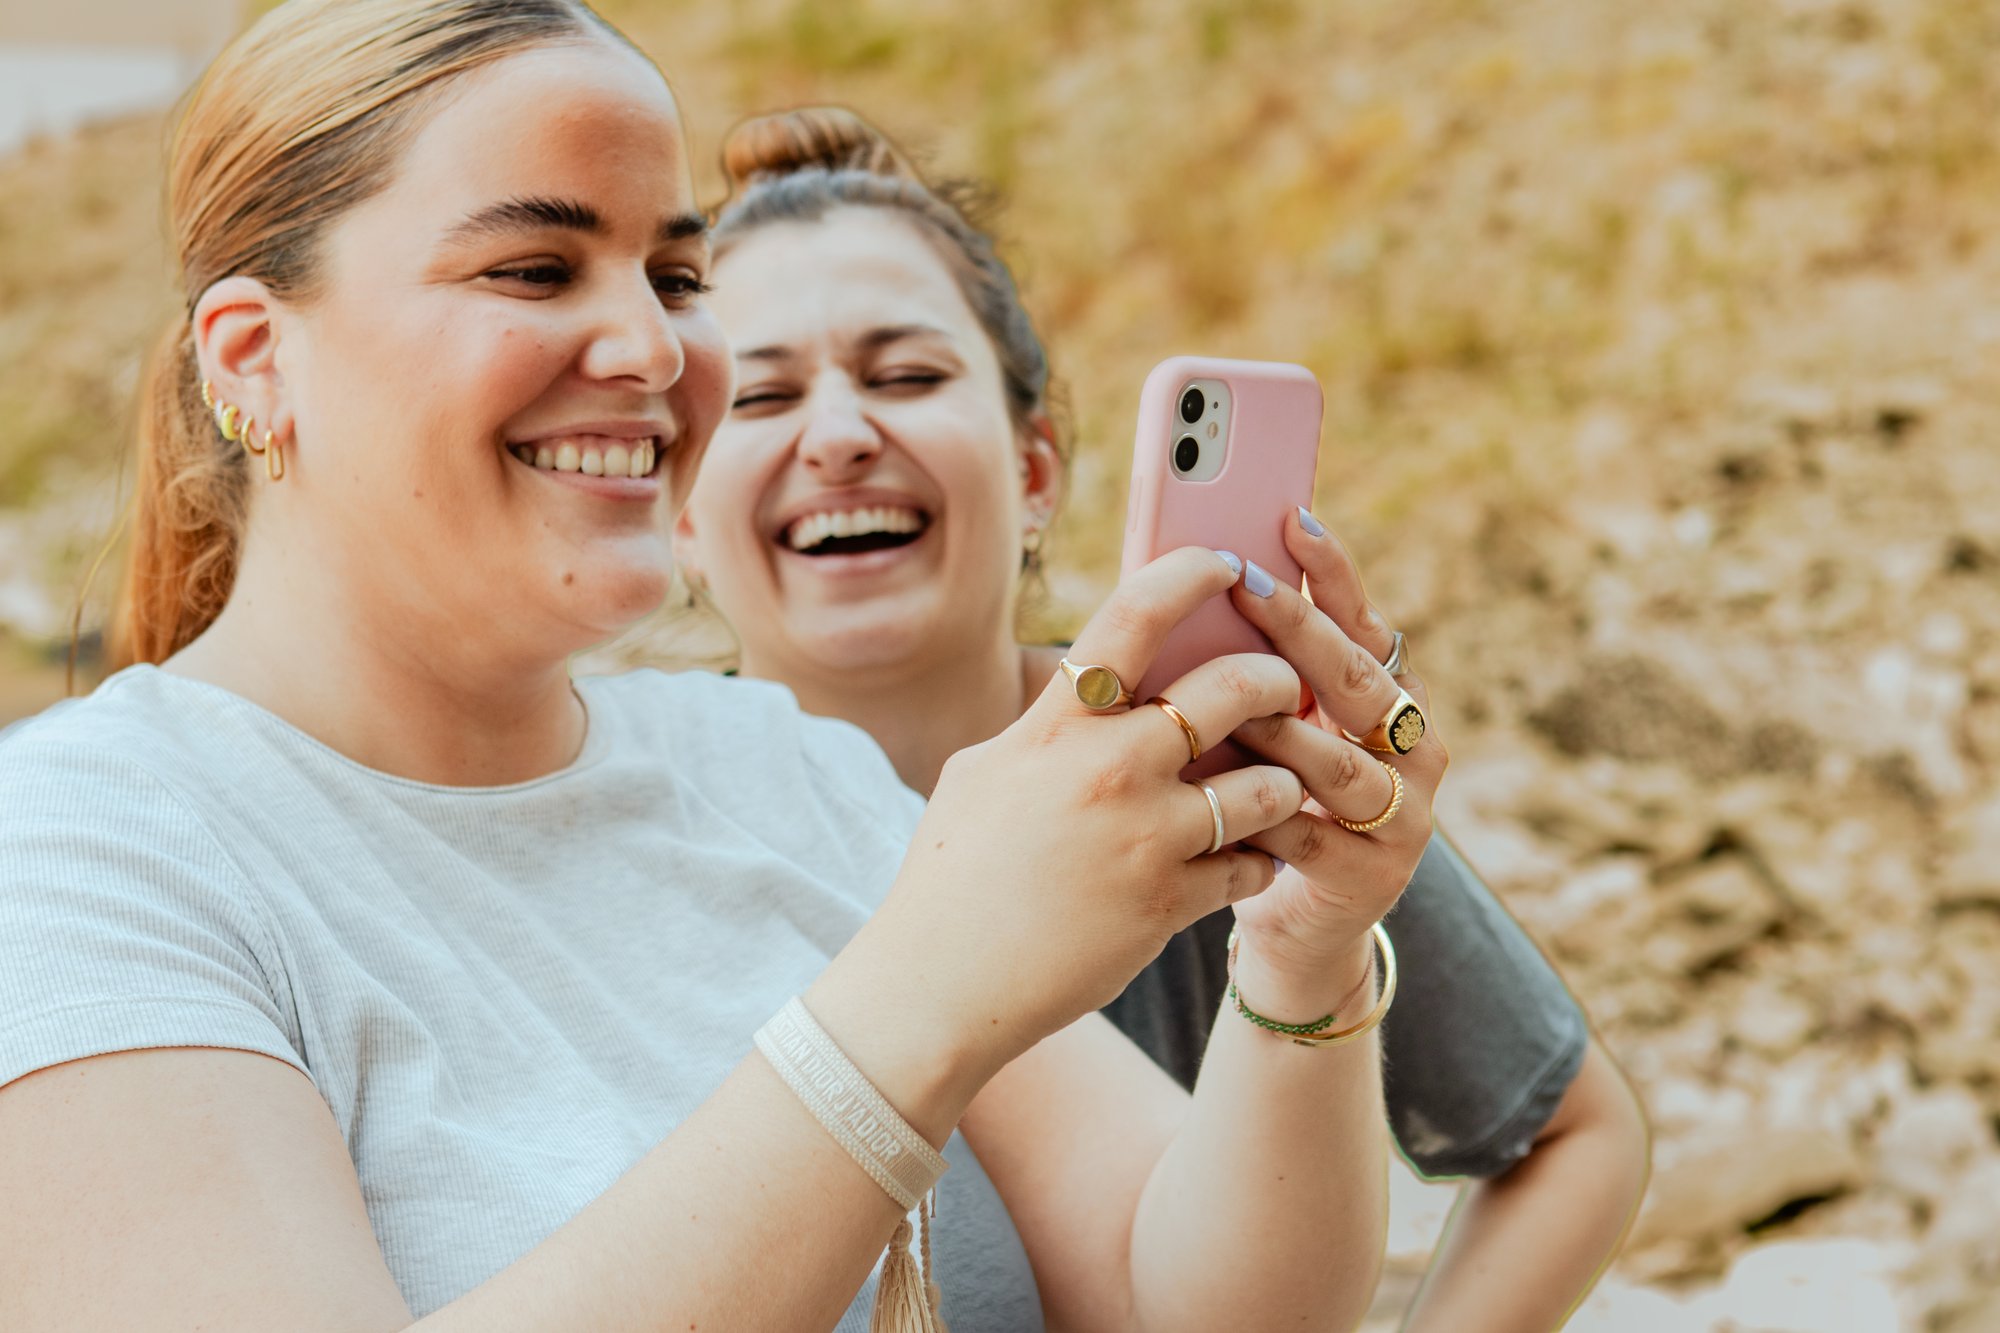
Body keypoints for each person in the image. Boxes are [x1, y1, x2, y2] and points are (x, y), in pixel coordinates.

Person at [0, 4, 1450, 1331]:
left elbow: (1192, 1304)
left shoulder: (784, 767)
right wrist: (909, 1007)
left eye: (675, 272)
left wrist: (1301, 958)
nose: (651, 344)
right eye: (533, 267)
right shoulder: (85, 855)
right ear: (254, 360)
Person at [672, 107, 1651, 1332]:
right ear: (676, 515)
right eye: (759, 398)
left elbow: (1573, 1131)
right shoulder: (635, 814)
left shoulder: (1211, 748)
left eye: (906, 375)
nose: (839, 436)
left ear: (1034, 472)